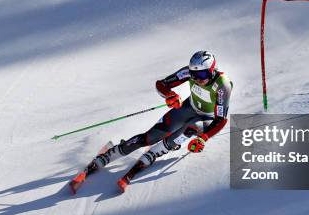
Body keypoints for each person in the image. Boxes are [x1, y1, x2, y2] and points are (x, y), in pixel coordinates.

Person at [69, 50, 233, 193]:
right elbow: (161, 84)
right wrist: (169, 95)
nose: (197, 79)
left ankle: (158, 151)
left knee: (192, 128)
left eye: (202, 75)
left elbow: (221, 119)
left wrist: (203, 138)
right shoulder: (189, 73)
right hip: (188, 108)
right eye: (194, 75)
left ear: (212, 71)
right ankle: (111, 154)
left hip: (207, 118)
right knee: (149, 137)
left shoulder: (221, 86)